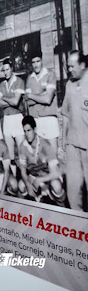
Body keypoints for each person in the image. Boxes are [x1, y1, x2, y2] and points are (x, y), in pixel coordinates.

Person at [61, 50, 88, 211]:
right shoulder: (69, 85)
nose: (69, 70)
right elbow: (65, 113)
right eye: (68, 66)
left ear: (82, 65)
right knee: (72, 191)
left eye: (72, 66)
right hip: (72, 146)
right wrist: (64, 140)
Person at [17, 116, 65, 204]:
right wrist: (28, 184)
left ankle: (62, 207)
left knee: (57, 186)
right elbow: (23, 172)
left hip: (47, 177)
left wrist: (41, 180)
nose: (27, 134)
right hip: (34, 177)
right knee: (21, 185)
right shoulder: (22, 146)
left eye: (29, 130)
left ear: (34, 129)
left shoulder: (45, 144)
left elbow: (55, 173)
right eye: (25, 131)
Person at [25, 51, 59, 155]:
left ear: (42, 60)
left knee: (53, 157)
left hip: (49, 120)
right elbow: (27, 101)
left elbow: (48, 99)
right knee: (40, 158)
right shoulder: (29, 79)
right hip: (36, 121)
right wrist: (42, 95)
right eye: (33, 62)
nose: (36, 65)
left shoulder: (50, 74)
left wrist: (32, 95)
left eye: (38, 61)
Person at [0, 59, 25, 172]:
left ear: (12, 68)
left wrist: (4, 98)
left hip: (17, 118)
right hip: (7, 120)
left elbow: (16, 102)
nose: (5, 72)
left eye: (7, 69)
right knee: (11, 155)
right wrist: (9, 99)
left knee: (21, 153)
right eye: (4, 70)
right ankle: (15, 179)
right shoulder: (2, 84)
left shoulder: (19, 81)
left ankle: (25, 180)